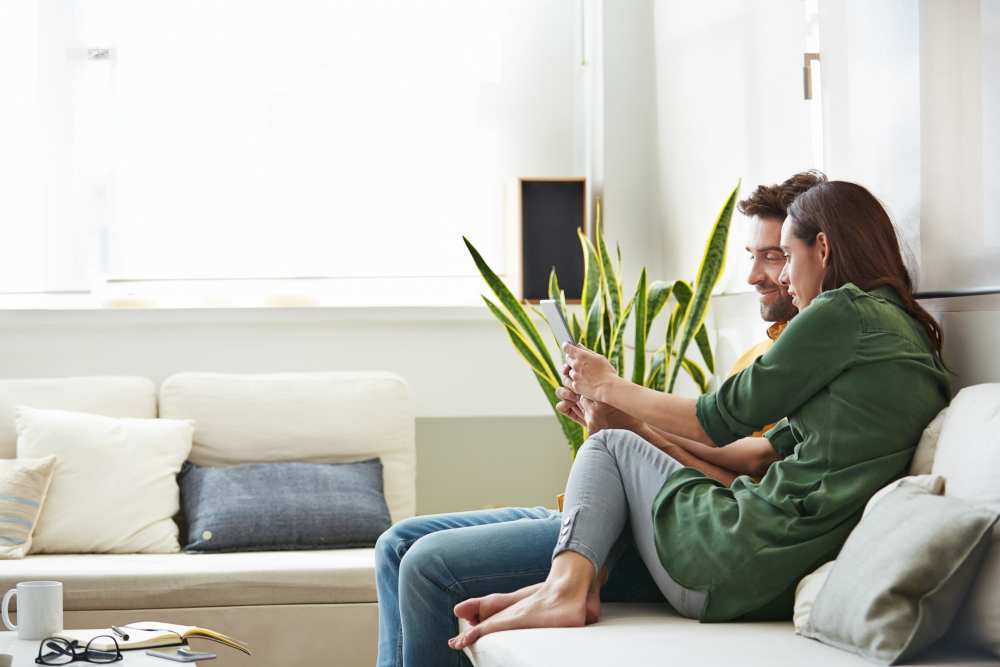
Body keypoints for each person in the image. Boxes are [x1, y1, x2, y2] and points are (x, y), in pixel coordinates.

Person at [446, 180, 950, 651]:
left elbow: (720, 417)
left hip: (740, 558)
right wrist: (636, 427)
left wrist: (609, 385)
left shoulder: (844, 312)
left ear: (822, 249)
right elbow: (753, 455)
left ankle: (564, 591)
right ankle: (566, 586)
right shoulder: (901, 338)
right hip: (772, 573)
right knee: (619, 441)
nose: (782, 278)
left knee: (605, 446)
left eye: (786, 257)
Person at [373, 171, 826, 667]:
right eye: (752, 256)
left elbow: (734, 490)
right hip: (629, 503)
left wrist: (627, 427)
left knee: (426, 565)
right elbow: (710, 454)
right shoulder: (761, 355)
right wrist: (615, 427)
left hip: (671, 528)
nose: (757, 275)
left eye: (774, 255)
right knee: (397, 543)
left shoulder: (805, 370)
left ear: (817, 252)